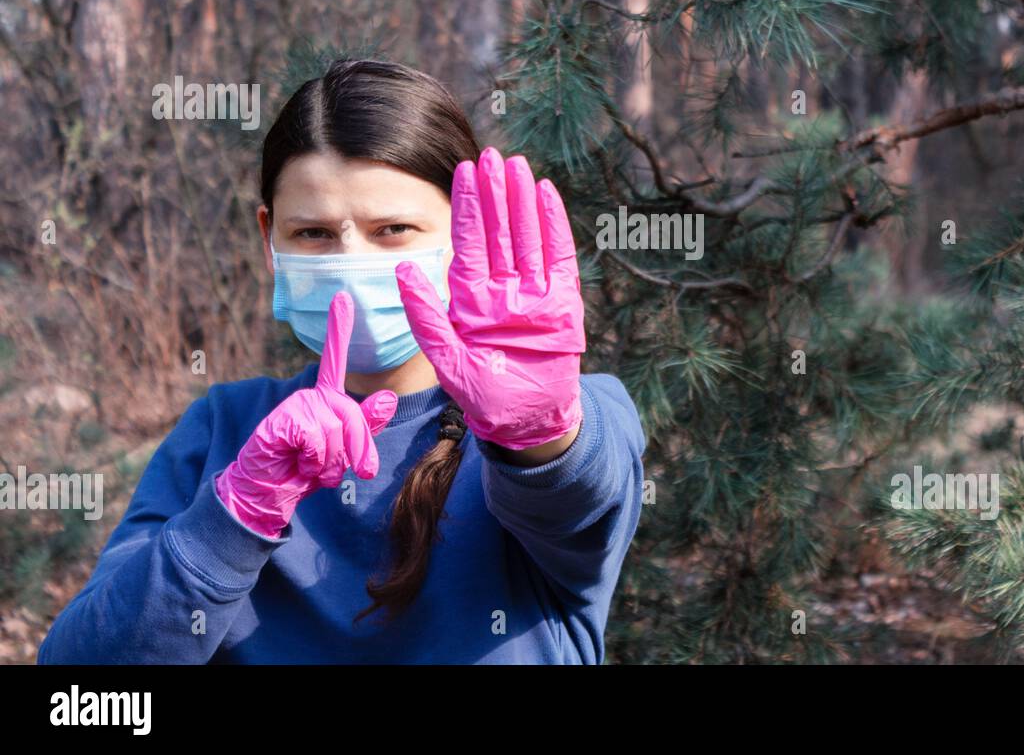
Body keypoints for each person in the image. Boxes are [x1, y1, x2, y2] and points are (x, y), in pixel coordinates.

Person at [37, 59, 647, 664]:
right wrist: (234, 517)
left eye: (394, 228)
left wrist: (539, 437)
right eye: (315, 234)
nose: (350, 262)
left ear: (465, 234)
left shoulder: (577, 416)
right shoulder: (224, 428)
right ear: (268, 238)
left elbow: (579, 501)